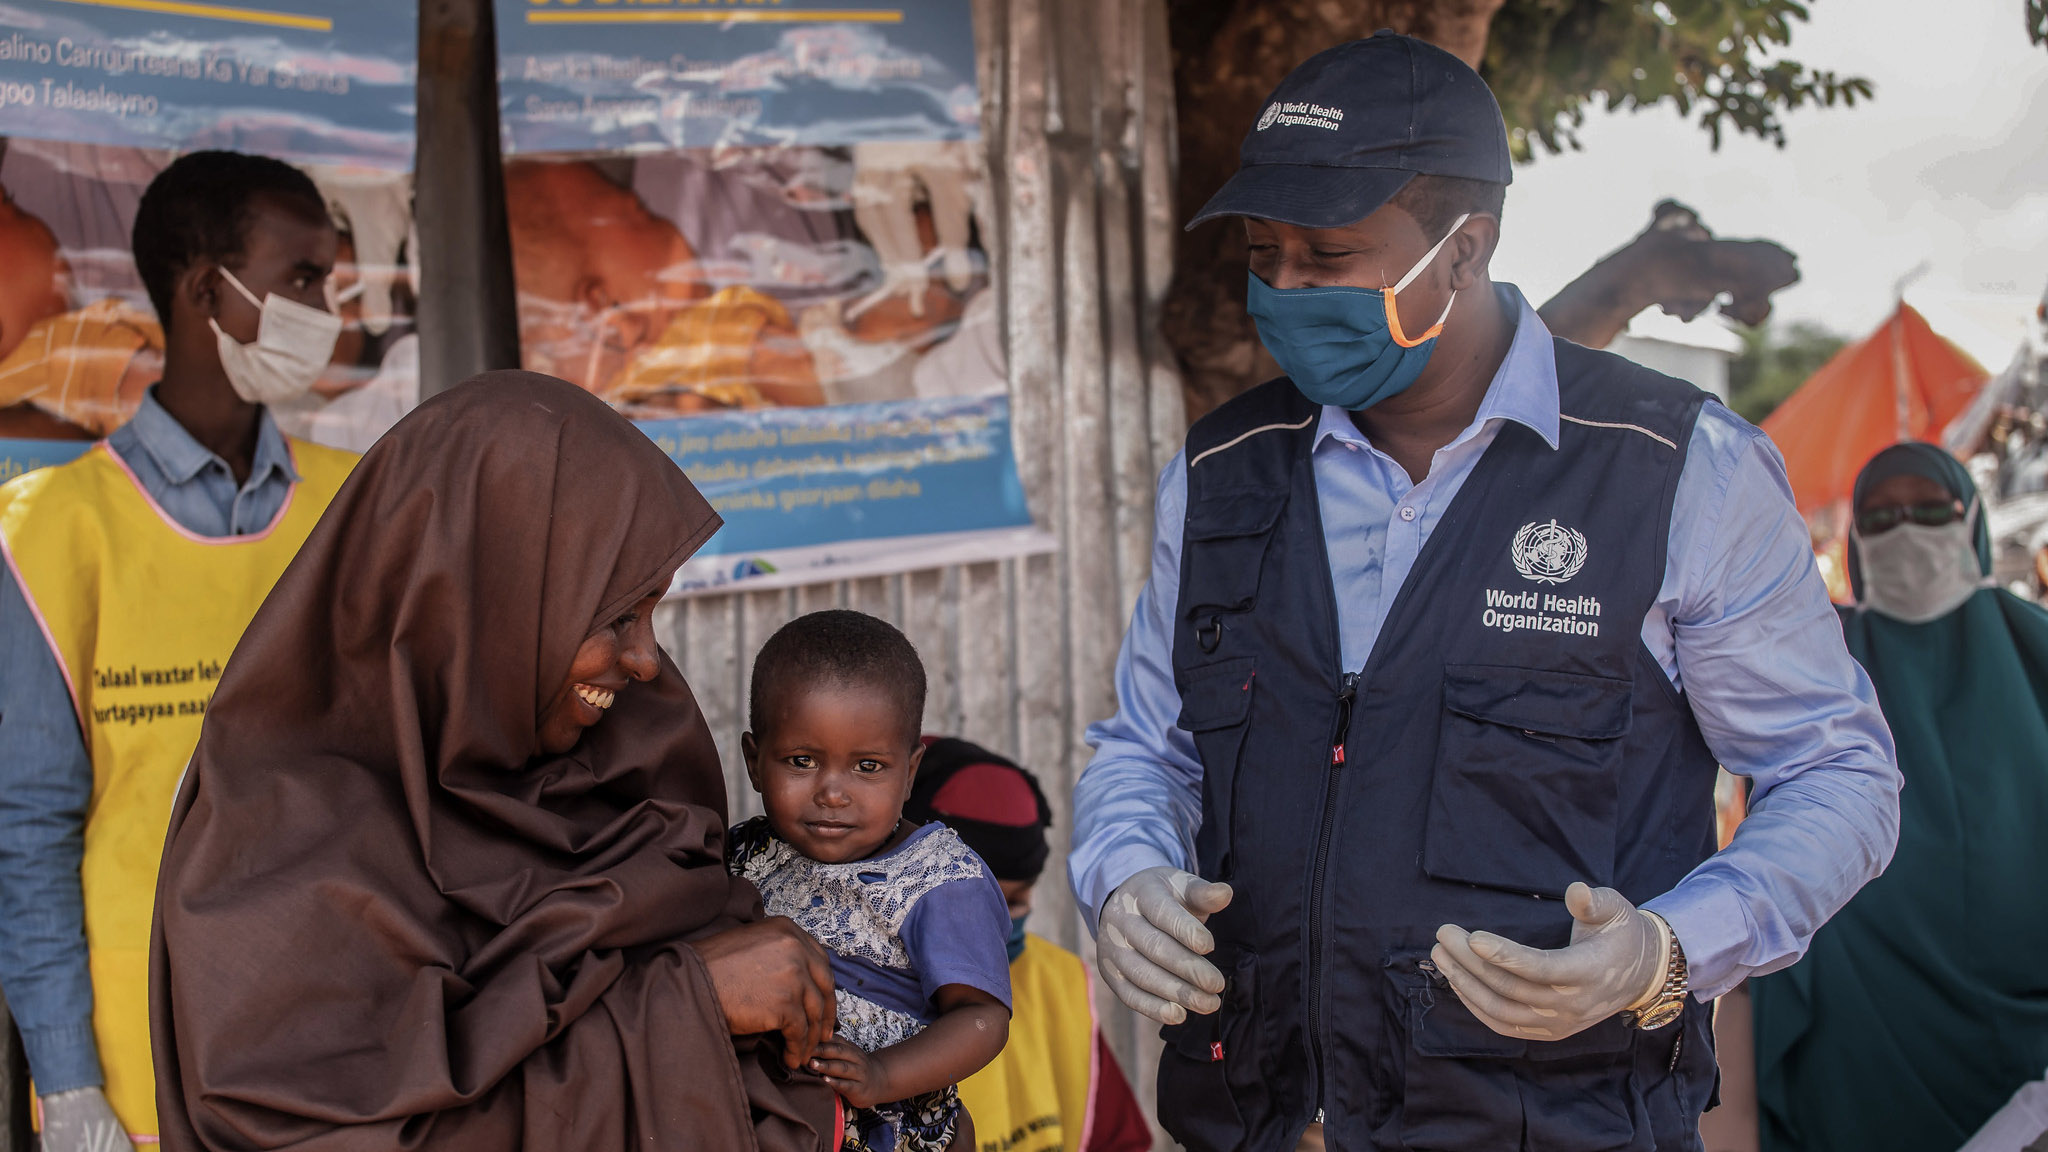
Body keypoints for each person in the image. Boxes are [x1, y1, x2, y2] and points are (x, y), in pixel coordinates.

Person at [1067, 32, 1901, 1152]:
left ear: (1464, 252)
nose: (1285, 289)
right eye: (1265, 254)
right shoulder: (1221, 471)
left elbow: (1834, 772)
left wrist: (1661, 954)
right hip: (1256, 1119)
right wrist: (1125, 878)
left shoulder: (1671, 469)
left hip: (1554, 1121)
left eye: (1329, 253)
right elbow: (1148, 748)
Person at [150, 371, 841, 1151]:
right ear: (487, 606)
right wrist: (689, 1010)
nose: (647, 660)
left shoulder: (627, 757)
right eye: (616, 616)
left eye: (654, 610)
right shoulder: (275, 847)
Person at [0, 150, 359, 1151]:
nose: (326, 307)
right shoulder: (51, 530)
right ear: (208, 290)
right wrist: (67, 1081)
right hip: (140, 1045)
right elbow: (30, 826)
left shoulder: (357, 504)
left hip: (341, 1023)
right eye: (303, 279)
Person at [1751, 442, 2048, 1152]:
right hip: (1861, 1022)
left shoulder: (2035, 644)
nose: (1906, 531)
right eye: (1881, 519)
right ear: (1854, 540)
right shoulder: (1822, 658)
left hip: (2028, 1014)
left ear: (1969, 518)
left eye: (1928, 511)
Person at [730, 610, 1012, 1152]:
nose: (833, 793)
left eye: (868, 767)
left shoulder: (937, 879)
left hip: (890, 1131)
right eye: (802, 760)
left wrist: (882, 1074)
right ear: (754, 762)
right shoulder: (745, 852)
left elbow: (983, 1018)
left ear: (909, 773)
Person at [906, 737, 1153, 1152]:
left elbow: (1116, 1140)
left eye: (1017, 901)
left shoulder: (1059, 981)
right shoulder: (866, 992)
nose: (1002, 925)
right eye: (981, 907)